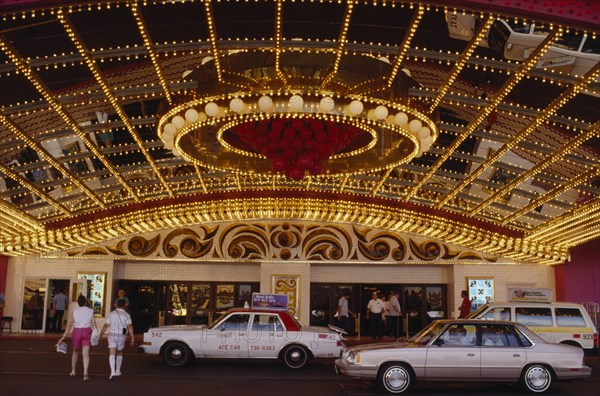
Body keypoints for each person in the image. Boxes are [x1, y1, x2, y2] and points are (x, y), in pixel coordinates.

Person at [57, 294, 96, 381]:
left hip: (77, 331)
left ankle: (73, 370)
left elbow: (69, 325)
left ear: (78, 303)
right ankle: (85, 373)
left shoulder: (74, 312)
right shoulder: (90, 311)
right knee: (86, 353)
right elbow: (94, 324)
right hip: (87, 331)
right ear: (85, 302)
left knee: (75, 351)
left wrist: (63, 337)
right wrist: (94, 333)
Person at [100, 298, 134, 379]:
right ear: (124, 306)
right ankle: (118, 370)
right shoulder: (127, 315)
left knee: (112, 353)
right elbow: (130, 326)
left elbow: (106, 325)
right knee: (119, 352)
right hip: (121, 336)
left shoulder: (111, 314)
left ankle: (112, 372)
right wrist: (132, 337)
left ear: (116, 305)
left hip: (112, 335)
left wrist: (101, 334)